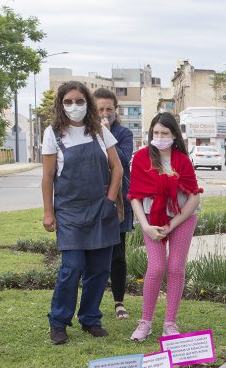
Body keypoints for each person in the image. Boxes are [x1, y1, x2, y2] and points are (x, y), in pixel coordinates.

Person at [41, 81, 123, 344]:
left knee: (100, 269)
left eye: (79, 101)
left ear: (87, 102)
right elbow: (47, 176)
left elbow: (117, 169)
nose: (74, 106)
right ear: (60, 104)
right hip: (69, 212)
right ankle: (58, 322)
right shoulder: (53, 134)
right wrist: (48, 212)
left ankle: (90, 318)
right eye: (68, 101)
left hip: (101, 209)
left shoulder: (99, 131)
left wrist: (110, 201)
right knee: (72, 267)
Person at [127, 112, 203, 341]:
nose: (159, 137)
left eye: (165, 133)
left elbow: (194, 198)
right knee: (157, 267)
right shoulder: (141, 158)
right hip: (151, 219)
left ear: (174, 135)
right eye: (156, 133)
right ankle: (145, 323)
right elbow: (135, 197)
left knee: (176, 268)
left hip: (181, 219)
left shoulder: (181, 160)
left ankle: (170, 323)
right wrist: (146, 226)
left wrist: (171, 225)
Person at [93, 87, 135, 321]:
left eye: (109, 109)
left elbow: (122, 159)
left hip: (120, 200)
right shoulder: (85, 132)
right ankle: (93, 301)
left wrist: (107, 133)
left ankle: (119, 301)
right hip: (94, 201)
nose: (105, 113)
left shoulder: (124, 133)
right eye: (100, 109)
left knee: (118, 254)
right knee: (95, 253)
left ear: (115, 110)